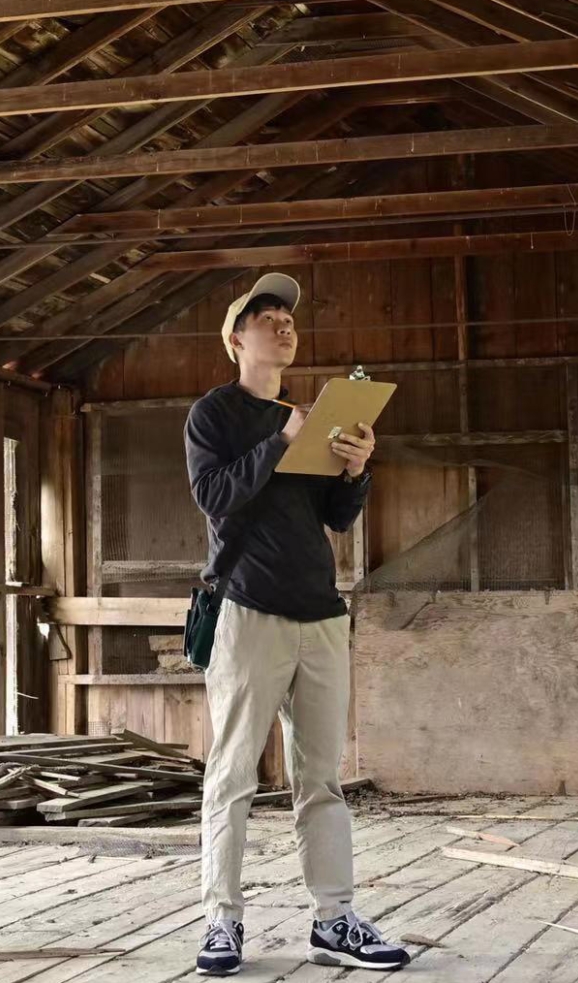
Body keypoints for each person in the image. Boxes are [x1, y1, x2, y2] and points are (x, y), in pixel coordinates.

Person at [183, 272, 407, 975]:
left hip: (321, 613)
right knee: (232, 775)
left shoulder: (308, 415)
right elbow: (217, 497)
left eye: (288, 318)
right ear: (236, 338)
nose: (282, 325)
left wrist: (356, 470)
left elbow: (335, 518)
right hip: (247, 609)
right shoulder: (213, 416)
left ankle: (334, 920)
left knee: (322, 779)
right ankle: (222, 922)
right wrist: (282, 437)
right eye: (266, 316)